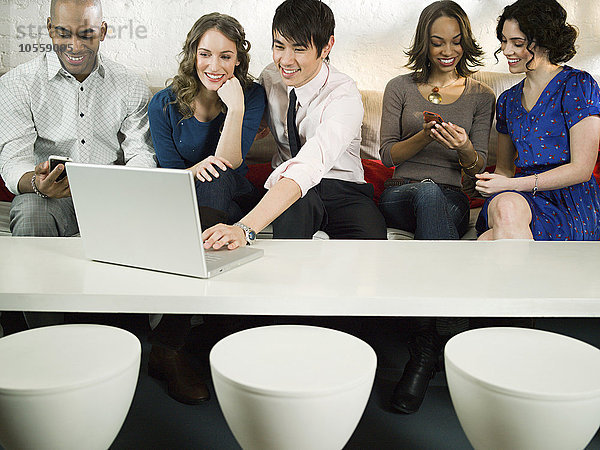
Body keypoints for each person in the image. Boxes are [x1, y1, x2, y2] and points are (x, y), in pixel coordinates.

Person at [0, 0, 156, 329]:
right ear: (48, 28)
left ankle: (126, 336)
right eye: (63, 33)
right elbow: (14, 159)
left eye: (86, 34)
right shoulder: (18, 84)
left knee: (139, 213)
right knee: (29, 212)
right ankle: (45, 335)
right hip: (48, 199)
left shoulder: (129, 84)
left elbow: (142, 151)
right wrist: (36, 182)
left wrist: (128, 186)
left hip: (112, 199)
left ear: (103, 31)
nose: (75, 45)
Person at [378, 1, 495, 414]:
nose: (448, 51)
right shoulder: (400, 88)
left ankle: (425, 349)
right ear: (424, 43)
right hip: (399, 193)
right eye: (438, 42)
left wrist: (463, 146)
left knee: (434, 195)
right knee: (423, 190)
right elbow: (388, 155)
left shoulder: (482, 95)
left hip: (450, 198)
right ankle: (451, 330)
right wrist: (426, 136)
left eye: (456, 42)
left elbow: (478, 164)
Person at [146, 13, 266, 405]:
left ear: (238, 60)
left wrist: (234, 109)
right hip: (185, 200)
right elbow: (168, 173)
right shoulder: (163, 104)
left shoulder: (250, 95)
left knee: (217, 176)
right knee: (209, 183)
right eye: (206, 54)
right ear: (192, 54)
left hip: (236, 196)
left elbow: (231, 160)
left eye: (226, 57)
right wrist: (190, 172)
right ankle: (175, 348)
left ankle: (168, 345)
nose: (214, 67)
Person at [201, 0, 387, 249]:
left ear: (326, 47)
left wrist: (244, 229)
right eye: (279, 46)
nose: (286, 61)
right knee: (292, 215)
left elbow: (311, 162)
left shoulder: (344, 96)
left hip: (343, 190)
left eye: (299, 49)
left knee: (374, 248)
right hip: (287, 190)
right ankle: (281, 285)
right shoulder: (270, 77)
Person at [475, 0, 600, 240]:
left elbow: (582, 169)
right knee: (507, 207)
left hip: (571, 202)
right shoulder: (507, 101)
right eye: (503, 40)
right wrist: (487, 181)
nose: (506, 51)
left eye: (517, 43)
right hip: (521, 201)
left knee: (487, 241)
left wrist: (512, 185)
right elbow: (504, 169)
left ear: (544, 40)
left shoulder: (578, 85)